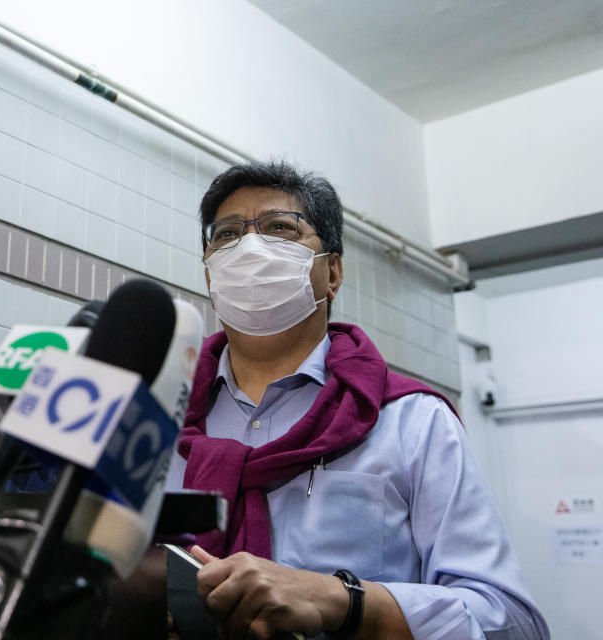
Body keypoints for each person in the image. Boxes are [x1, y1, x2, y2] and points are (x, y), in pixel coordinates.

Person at [164, 161, 549, 639]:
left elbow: (510, 621)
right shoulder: (156, 418)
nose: (249, 248)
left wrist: (344, 601)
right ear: (208, 274)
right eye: (225, 235)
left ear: (334, 273)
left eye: (280, 229)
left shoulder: (411, 420)